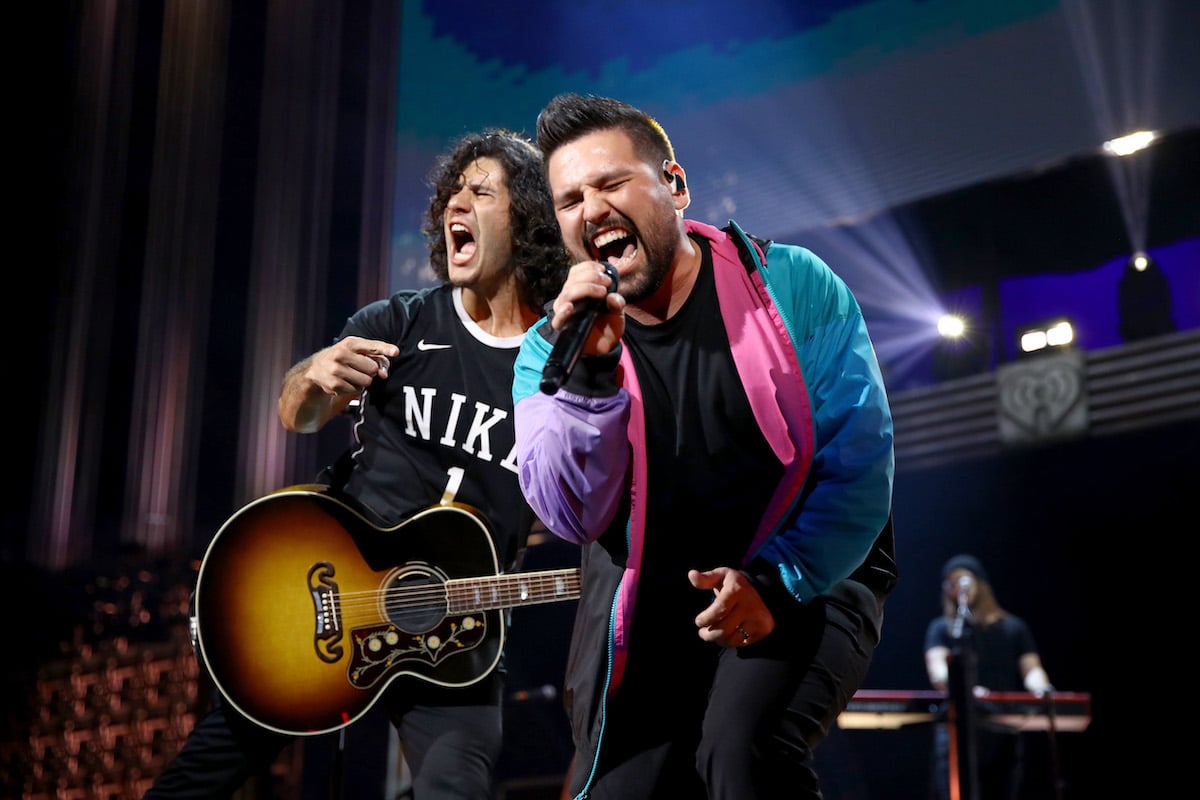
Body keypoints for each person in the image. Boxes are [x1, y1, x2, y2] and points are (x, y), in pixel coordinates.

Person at [144, 129, 569, 799]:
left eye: (481, 192)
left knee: (458, 784)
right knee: (203, 774)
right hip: (329, 594)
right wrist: (311, 375)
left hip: (457, 633)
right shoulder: (401, 322)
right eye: (453, 193)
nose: (456, 204)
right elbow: (300, 415)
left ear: (529, 224)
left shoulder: (558, 369)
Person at [511, 93, 896, 800]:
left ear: (676, 186)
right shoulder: (549, 353)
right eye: (570, 200)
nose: (591, 210)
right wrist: (590, 379)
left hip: (808, 572)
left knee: (741, 751)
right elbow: (571, 515)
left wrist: (777, 584)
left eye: (611, 183)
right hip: (654, 611)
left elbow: (858, 461)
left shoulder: (792, 285)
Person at [923, 554, 1053, 800]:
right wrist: (963, 689)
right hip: (956, 730)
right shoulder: (942, 628)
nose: (957, 588)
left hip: (1003, 729)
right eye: (951, 583)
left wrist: (1042, 688)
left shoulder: (1013, 627)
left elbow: (1032, 669)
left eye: (963, 580)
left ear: (979, 583)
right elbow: (937, 670)